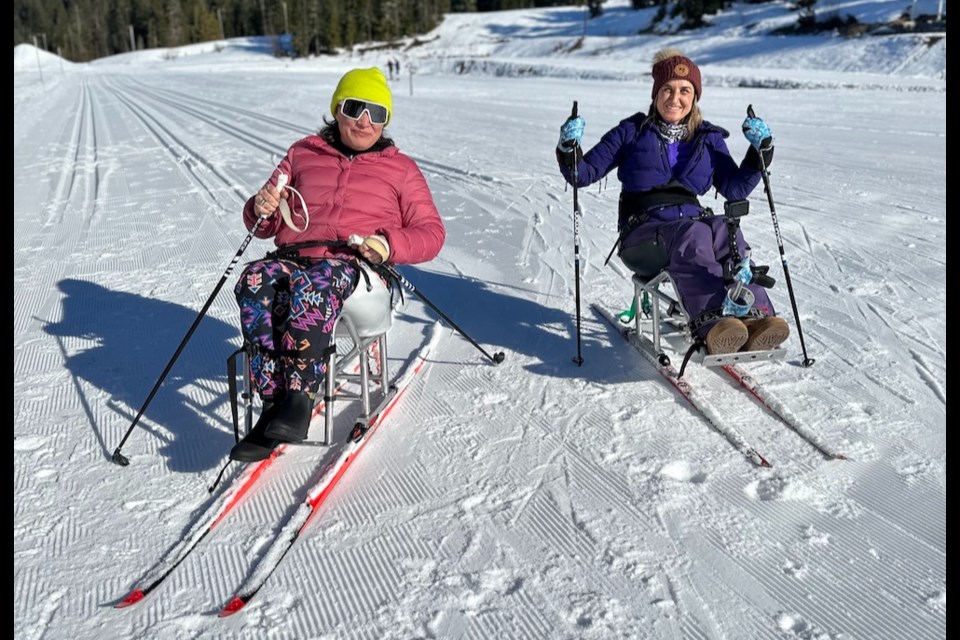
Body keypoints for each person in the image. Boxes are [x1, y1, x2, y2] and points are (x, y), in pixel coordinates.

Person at [230, 67, 446, 462]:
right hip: (295, 258)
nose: (365, 121)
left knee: (318, 281)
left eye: (376, 113)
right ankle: (271, 403)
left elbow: (432, 233)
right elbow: (267, 221)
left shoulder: (402, 169)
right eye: (355, 107)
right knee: (256, 279)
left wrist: (389, 244)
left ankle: (299, 396)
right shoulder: (302, 153)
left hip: (356, 270)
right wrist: (258, 208)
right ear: (337, 110)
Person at [556, 48, 789, 356]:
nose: (675, 98)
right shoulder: (632, 131)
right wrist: (568, 146)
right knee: (694, 234)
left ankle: (757, 316)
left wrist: (760, 152)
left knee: (724, 228)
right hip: (642, 236)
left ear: (695, 97)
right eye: (667, 89)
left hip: (692, 225)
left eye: (684, 90)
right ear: (656, 93)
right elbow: (582, 174)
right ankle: (712, 324)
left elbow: (735, 188)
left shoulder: (707, 138)